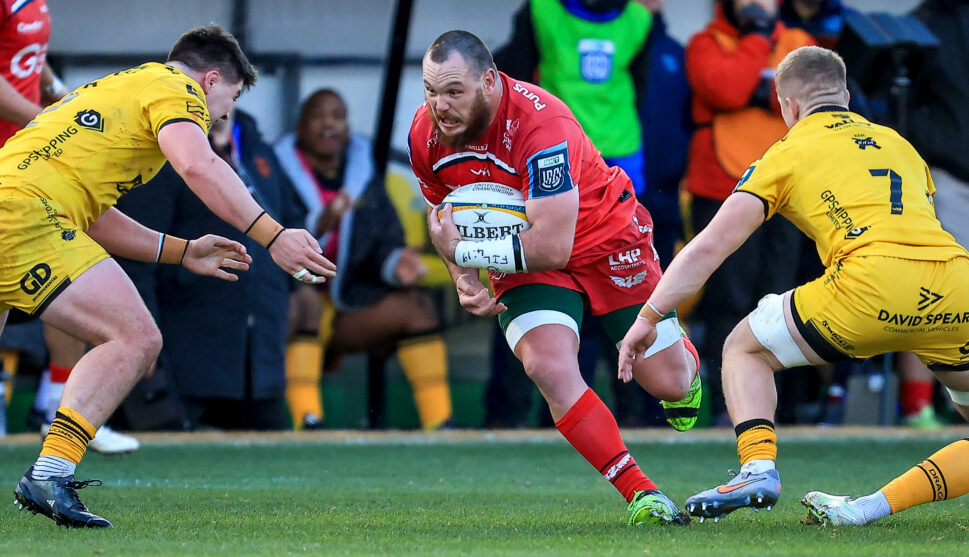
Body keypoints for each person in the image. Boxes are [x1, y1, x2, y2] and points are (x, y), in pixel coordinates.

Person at [618, 45, 969, 525]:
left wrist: (649, 316)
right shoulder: (897, 142)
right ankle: (863, 510)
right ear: (846, 97)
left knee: (744, 348)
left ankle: (757, 468)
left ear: (787, 105)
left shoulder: (787, 151)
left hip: (868, 286)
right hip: (954, 283)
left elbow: (708, 248)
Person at [7, 24, 335, 528]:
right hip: (24, 215)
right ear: (210, 80)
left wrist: (182, 251)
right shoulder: (176, 88)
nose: (223, 114)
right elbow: (198, 166)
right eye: (230, 99)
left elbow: (92, 214)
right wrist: (273, 236)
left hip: (15, 205)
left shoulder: (118, 88)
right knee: (135, 337)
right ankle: (50, 473)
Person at [410, 30, 702, 526]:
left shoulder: (542, 124)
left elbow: (552, 246)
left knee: (668, 382)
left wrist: (462, 252)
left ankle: (686, 368)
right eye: (431, 91)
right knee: (547, 366)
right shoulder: (425, 134)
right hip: (520, 252)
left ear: (489, 82)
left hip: (604, 236)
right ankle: (641, 493)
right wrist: (463, 277)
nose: (440, 106)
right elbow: (443, 218)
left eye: (454, 91)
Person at [0, 0, 141, 451]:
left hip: (28, 165)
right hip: (11, 168)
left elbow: (28, 55)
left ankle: (58, 402)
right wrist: (47, 119)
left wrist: (60, 93)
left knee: (69, 265)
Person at [115, 107, 305, 431]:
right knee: (175, 455)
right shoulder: (161, 155)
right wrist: (139, 332)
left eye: (234, 88)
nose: (221, 95)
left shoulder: (257, 147)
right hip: (187, 356)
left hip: (260, 366)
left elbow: (292, 221)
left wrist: (289, 287)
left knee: (269, 454)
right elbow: (134, 260)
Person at [275, 89, 451, 431]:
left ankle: (441, 423)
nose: (328, 124)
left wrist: (395, 262)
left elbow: (384, 240)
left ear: (347, 128)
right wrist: (319, 226)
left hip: (347, 304)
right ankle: (307, 421)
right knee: (306, 303)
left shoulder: (363, 176)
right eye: (317, 116)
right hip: (293, 303)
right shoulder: (275, 171)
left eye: (337, 116)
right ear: (299, 128)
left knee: (419, 307)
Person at [683, 0, 815, 423]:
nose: (757, 2)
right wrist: (757, 43)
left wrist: (758, 92)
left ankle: (780, 408)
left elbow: (810, 103)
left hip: (789, 190)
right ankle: (730, 407)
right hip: (722, 187)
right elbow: (726, 90)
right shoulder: (706, 42)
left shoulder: (797, 40)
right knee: (729, 300)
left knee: (783, 300)